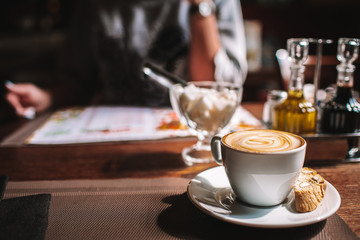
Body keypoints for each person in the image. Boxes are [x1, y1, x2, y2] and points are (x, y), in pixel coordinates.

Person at [5, 0, 248, 118]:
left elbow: (214, 90)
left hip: (186, 134)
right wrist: (47, 97)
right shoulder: (94, 5)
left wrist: (201, 6)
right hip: (107, 135)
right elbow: (80, 83)